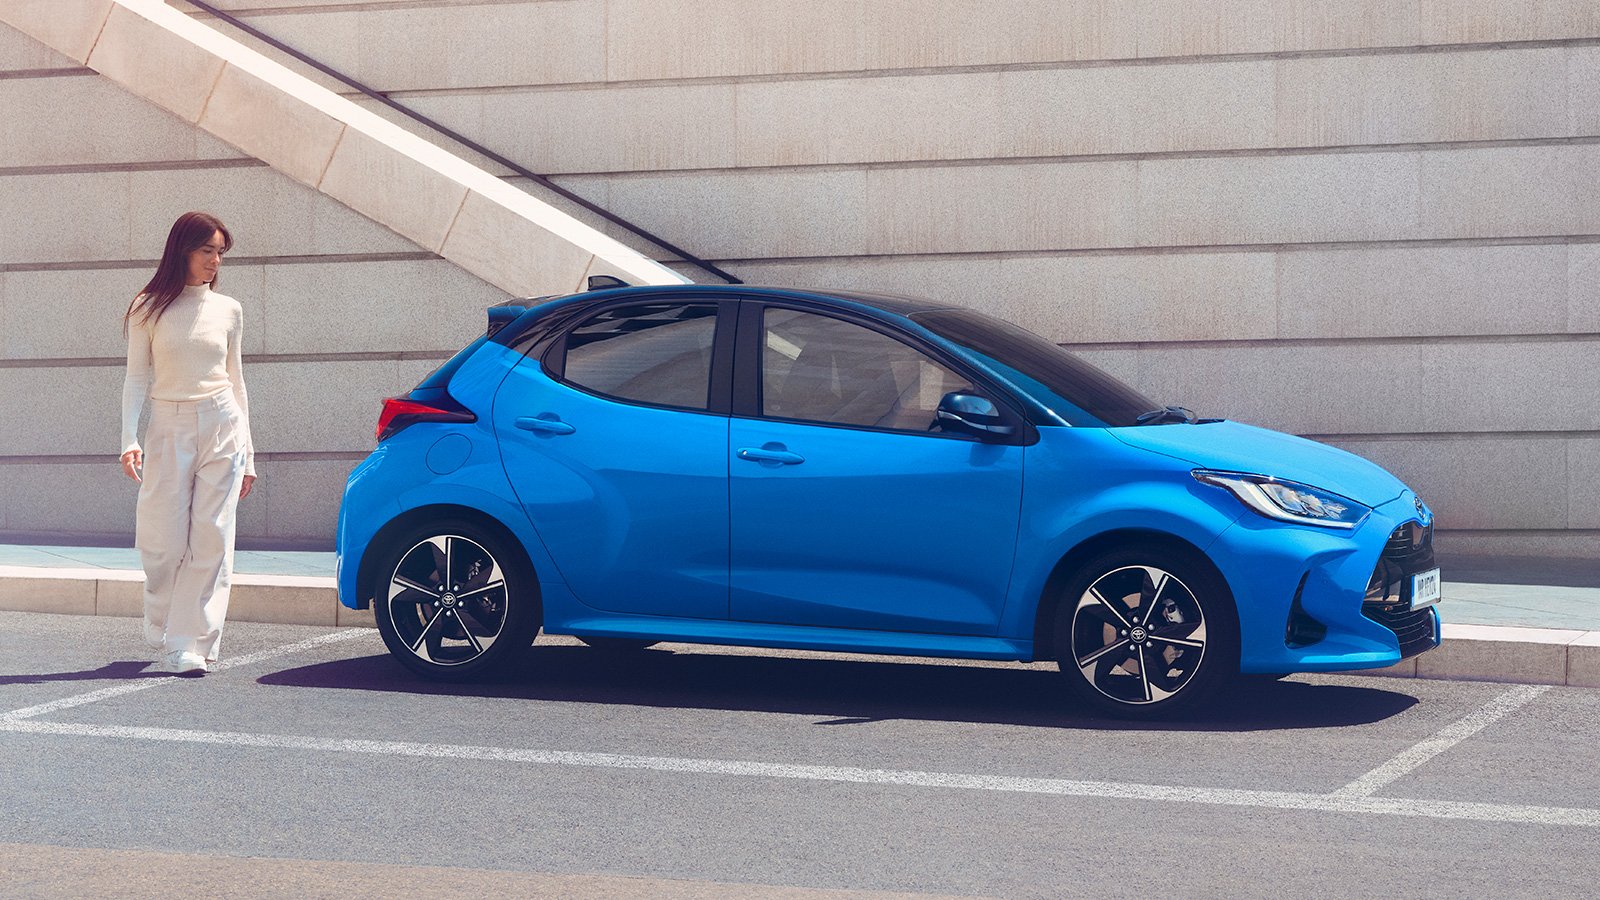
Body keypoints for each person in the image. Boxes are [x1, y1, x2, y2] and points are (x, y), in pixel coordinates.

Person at [119, 211, 257, 675]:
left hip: (223, 423)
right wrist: (128, 438)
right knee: (163, 542)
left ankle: (189, 642)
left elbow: (236, 381)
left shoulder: (230, 309)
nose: (215, 260)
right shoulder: (147, 307)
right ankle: (161, 612)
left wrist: (249, 454)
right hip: (168, 426)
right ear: (183, 250)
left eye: (220, 252)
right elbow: (136, 377)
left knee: (212, 536)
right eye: (206, 250)